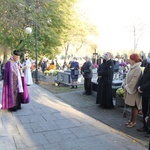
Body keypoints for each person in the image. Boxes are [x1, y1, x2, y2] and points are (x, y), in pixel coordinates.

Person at [122, 53, 142, 128]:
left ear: (133, 60)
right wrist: (124, 84)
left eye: (130, 59)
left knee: (135, 107)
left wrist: (127, 87)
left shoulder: (138, 69)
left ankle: (133, 121)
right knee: (132, 106)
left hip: (134, 91)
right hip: (130, 90)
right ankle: (131, 120)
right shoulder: (131, 67)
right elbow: (126, 78)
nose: (129, 60)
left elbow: (134, 81)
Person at [137, 52, 150, 137]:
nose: (148, 57)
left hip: (148, 91)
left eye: (149, 55)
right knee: (144, 110)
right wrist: (139, 86)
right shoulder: (148, 64)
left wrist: (142, 87)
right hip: (144, 92)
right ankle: (145, 126)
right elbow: (143, 76)